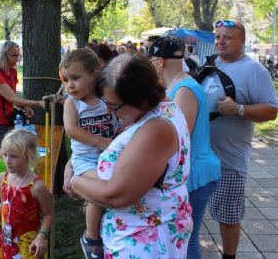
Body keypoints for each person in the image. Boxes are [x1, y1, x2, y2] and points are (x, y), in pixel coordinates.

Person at [67, 54, 193, 258]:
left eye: (114, 105)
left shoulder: (156, 129)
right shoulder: (158, 109)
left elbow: (116, 195)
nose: (109, 110)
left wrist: (74, 181)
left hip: (145, 242)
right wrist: (72, 163)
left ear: (140, 99)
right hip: (136, 233)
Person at [205, 20, 278, 259]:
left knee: (227, 218)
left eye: (227, 37)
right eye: (217, 37)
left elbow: (272, 110)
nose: (221, 41)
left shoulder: (254, 70)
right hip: (202, 158)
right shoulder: (212, 64)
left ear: (242, 40)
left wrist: (239, 110)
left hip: (229, 162)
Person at [148, 37, 220, 259]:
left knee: (186, 243)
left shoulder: (184, 89)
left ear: (159, 61)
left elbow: (179, 137)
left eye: (150, 60)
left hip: (196, 174)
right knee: (180, 241)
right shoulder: (177, 85)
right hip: (192, 172)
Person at [60, 48, 117, 259]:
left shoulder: (106, 97)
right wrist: (99, 140)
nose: (69, 85)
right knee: (100, 189)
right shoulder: (72, 103)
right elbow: (71, 130)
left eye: (75, 78)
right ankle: (91, 237)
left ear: (94, 73)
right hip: (85, 160)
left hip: (108, 155)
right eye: (66, 80)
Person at [0, 129, 53, 259]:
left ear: (28, 156)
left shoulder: (37, 187)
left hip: (29, 246)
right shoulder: (2, 179)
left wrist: (42, 235)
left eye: (14, 156)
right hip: (7, 243)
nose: (7, 161)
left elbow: (49, 214)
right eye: (5, 155)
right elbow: (4, 205)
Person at [0, 40, 45, 152]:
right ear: (4, 55)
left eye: (18, 55)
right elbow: (12, 98)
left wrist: (24, 106)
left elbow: (13, 97)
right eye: (13, 55)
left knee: (13, 152)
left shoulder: (12, 72)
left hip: (8, 119)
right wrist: (38, 103)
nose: (17, 58)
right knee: (3, 155)